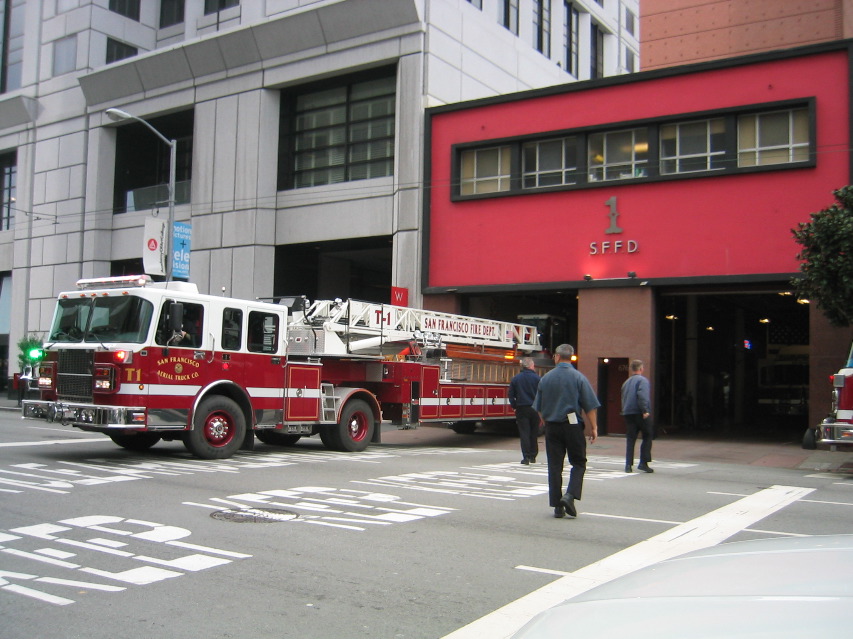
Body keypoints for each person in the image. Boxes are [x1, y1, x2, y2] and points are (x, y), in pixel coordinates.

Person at [533, 344, 599, 519]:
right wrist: (594, 427)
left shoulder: (545, 379)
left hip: (552, 426)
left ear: (556, 357)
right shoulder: (579, 378)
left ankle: (557, 506)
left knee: (555, 466)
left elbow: (538, 406)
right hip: (572, 425)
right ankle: (570, 495)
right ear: (571, 357)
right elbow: (590, 405)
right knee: (578, 462)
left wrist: (545, 420)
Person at [622, 359, 653, 473]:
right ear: (641, 369)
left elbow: (623, 398)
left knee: (630, 438)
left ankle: (628, 465)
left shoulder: (626, 382)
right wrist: (645, 410)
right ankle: (643, 462)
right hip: (639, 412)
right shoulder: (642, 381)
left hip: (628, 413)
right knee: (647, 435)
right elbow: (642, 395)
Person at [508, 357, 541, 464]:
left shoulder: (516, 378)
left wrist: (514, 405)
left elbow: (511, 394)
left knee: (524, 433)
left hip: (521, 408)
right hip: (535, 408)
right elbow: (542, 394)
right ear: (531, 366)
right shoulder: (538, 378)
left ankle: (526, 457)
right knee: (534, 432)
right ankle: (533, 455)